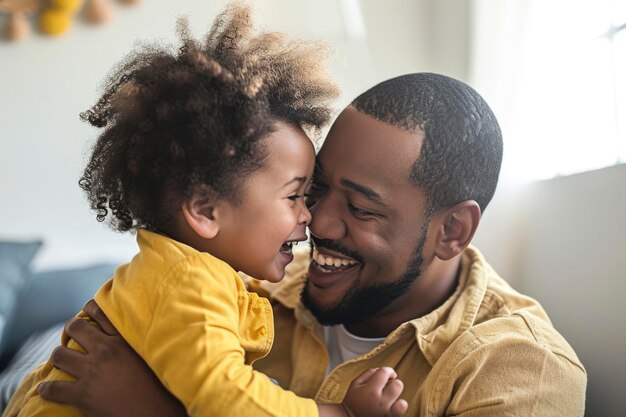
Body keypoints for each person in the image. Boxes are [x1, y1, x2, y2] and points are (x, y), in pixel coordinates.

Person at [36, 73, 587, 416]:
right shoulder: (253, 286)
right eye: (311, 190)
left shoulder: (519, 370)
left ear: (452, 232)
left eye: (361, 207)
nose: (317, 223)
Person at [2, 4, 410, 417]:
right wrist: (340, 414)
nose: (310, 216)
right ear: (205, 211)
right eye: (294, 197)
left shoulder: (183, 274)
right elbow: (228, 400)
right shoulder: (190, 282)